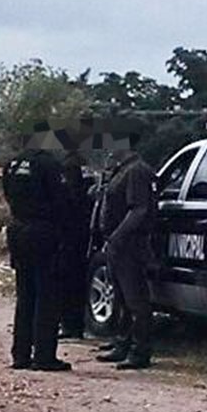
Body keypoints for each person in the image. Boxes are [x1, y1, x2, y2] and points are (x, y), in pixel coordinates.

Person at [1, 135, 70, 371]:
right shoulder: (48, 164)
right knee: (46, 296)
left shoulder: (12, 164)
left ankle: (20, 354)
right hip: (42, 233)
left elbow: (8, 196)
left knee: (25, 296)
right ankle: (43, 356)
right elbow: (62, 202)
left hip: (18, 231)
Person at [98, 145, 156, 370]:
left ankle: (140, 351)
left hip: (130, 244)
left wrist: (118, 235)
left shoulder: (136, 171)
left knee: (136, 299)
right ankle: (122, 343)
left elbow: (139, 210)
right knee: (121, 298)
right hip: (118, 245)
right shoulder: (122, 170)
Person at [56, 151, 93, 339]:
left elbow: (67, 201)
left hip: (69, 234)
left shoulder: (69, 166)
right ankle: (76, 325)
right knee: (78, 283)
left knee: (67, 283)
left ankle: (70, 325)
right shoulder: (84, 167)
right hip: (83, 233)